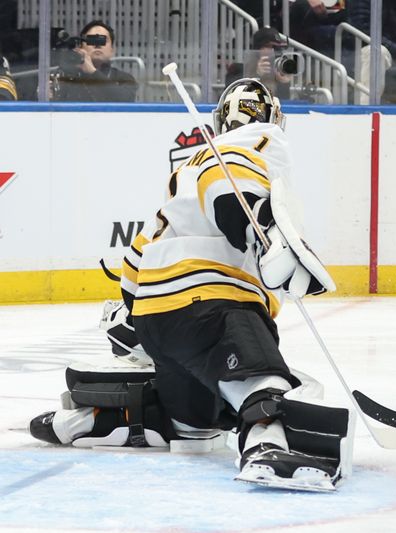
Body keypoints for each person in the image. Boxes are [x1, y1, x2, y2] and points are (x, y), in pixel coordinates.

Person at [29, 78, 354, 492]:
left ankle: (105, 421)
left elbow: (138, 259)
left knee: (196, 429)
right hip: (211, 303)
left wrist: (133, 319)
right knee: (265, 381)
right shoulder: (256, 143)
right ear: (275, 118)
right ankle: (268, 444)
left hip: (157, 315)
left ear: (221, 120)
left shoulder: (187, 170)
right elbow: (230, 191)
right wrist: (264, 233)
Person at [53, 20, 137, 102]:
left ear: (112, 50)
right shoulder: (67, 77)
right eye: (91, 40)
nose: (97, 45)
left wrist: (93, 72)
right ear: (81, 47)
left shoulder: (125, 79)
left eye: (103, 40)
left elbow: (125, 101)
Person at [225, 27, 292, 100]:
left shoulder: (279, 72)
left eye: (278, 48)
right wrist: (256, 75)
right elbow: (232, 98)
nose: (275, 52)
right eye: (270, 47)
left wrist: (283, 83)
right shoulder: (236, 70)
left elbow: (283, 104)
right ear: (258, 49)